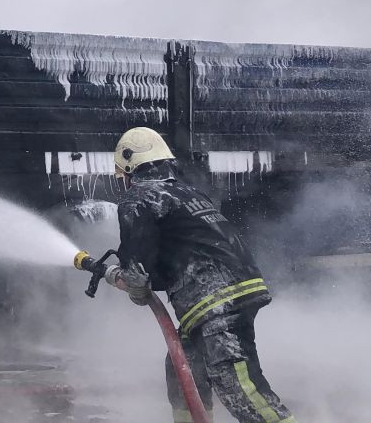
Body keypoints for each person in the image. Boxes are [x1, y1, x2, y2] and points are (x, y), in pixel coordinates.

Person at [104, 127, 295, 423]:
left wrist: (126, 280)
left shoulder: (139, 198)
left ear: (129, 166)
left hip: (217, 301)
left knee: (241, 390)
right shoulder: (187, 193)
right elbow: (173, 261)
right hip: (233, 288)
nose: (124, 183)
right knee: (183, 371)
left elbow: (138, 276)